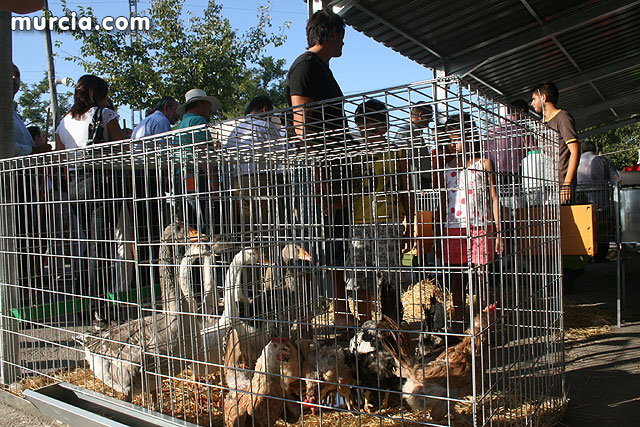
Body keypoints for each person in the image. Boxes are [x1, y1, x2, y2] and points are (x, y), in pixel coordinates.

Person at [55, 74, 124, 302]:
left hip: (74, 184)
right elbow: (122, 147)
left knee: (90, 243)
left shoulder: (64, 121)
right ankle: (99, 302)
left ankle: (84, 296)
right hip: (99, 182)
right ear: (99, 94)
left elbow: (60, 154)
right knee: (101, 245)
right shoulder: (103, 114)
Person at [345, 99, 414, 324]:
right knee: (360, 277)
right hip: (359, 222)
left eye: (372, 127)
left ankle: (392, 322)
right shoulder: (354, 155)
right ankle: (366, 323)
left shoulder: (396, 153)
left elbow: (406, 188)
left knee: (390, 274)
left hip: (389, 221)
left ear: (384, 126)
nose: (365, 132)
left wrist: (410, 222)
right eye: (361, 127)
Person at [437, 114, 503, 333]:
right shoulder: (446, 168)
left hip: (480, 226)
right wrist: (438, 233)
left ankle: (484, 321)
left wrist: (499, 232)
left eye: (456, 138)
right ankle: (458, 321)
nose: (453, 143)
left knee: (481, 276)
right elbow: (441, 203)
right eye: (450, 139)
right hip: (453, 228)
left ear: (469, 136)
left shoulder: (483, 164)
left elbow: (494, 198)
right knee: (457, 278)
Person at [224, 95, 288, 235]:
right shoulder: (265, 125)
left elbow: (227, 155)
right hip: (261, 179)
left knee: (247, 223)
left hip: (239, 182)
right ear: (265, 109)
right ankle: (270, 249)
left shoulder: (235, 130)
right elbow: (280, 153)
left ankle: (250, 247)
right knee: (268, 222)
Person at [286, 8, 345, 142]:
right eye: (342, 38)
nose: (343, 43)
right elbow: (302, 128)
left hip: (337, 151)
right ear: (334, 33)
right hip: (323, 153)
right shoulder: (305, 65)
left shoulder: (321, 67)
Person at [530, 82, 580, 204]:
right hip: (547, 185)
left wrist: (567, 184)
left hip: (562, 185)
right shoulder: (541, 123)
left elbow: (575, 151)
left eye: (534, 99)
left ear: (543, 97)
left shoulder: (563, 117)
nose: (532, 103)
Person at [577, 140, 620, 262]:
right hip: (601, 202)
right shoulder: (603, 161)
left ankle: (586, 256)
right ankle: (600, 256)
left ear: (581, 151)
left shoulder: (575, 161)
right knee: (602, 229)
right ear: (594, 150)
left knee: (585, 229)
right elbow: (617, 180)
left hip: (581, 202)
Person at [13, 64, 51, 156]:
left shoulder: (14, 114)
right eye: (7, 73)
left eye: (17, 75)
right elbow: (6, 147)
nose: (14, 77)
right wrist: (35, 151)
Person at [394, 103, 434, 190]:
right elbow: (403, 160)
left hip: (421, 180)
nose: (429, 121)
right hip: (415, 181)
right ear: (421, 115)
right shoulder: (406, 132)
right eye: (429, 117)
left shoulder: (415, 133)